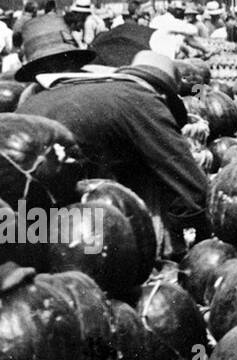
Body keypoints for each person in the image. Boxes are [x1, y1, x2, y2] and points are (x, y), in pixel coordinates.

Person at [17, 50, 211, 255]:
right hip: (70, 226)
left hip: (20, 215)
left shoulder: (42, 96)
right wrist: (192, 245)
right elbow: (192, 186)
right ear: (163, 95)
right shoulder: (142, 99)